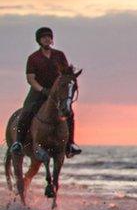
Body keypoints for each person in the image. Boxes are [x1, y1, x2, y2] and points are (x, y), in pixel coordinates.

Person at [9, 27, 82, 157]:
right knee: (27, 110)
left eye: (49, 37)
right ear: (39, 40)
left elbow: (65, 74)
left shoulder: (59, 55)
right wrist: (42, 90)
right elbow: (30, 79)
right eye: (44, 37)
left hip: (56, 92)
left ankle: (70, 144)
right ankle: (18, 143)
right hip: (38, 90)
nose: (47, 39)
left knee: (69, 113)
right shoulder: (33, 58)